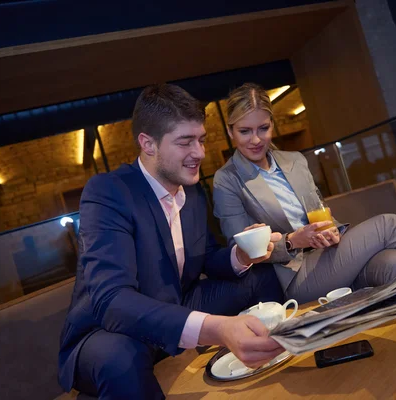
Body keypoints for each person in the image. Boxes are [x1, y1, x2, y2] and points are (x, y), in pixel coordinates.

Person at [58, 84, 286, 399]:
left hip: (178, 303)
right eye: (185, 142)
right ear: (147, 144)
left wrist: (241, 256)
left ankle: (280, 356)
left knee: (260, 276)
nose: (200, 153)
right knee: (118, 358)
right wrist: (217, 328)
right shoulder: (108, 192)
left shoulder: (191, 191)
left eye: (201, 140)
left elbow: (207, 257)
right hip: (109, 330)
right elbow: (112, 300)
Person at [212, 83, 396, 304]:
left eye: (263, 128)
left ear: (272, 125)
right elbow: (241, 249)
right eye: (245, 131)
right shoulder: (227, 180)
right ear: (231, 131)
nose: (256, 139)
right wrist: (292, 240)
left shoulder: (295, 161)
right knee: (390, 224)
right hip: (294, 275)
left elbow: (319, 212)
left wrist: (329, 231)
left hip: (329, 255)